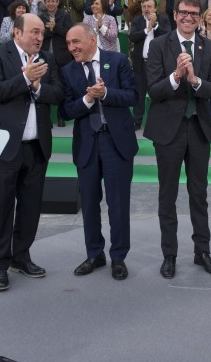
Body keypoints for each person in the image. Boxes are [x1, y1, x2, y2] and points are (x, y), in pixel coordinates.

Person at [0, 13, 64, 291]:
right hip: (4, 147)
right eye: (34, 32)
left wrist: (38, 87)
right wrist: (25, 78)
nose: (40, 37)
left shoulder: (48, 60)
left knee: (30, 208)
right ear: (17, 33)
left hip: (36, 147)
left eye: (42, 33)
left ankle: (21, 256)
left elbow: (58, 94)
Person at [143, 0, 211, 279]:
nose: (188, 17)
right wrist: (176, 77)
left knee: (199, 195)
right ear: (174, 14)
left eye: (194, 13)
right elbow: (153, 91)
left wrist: (195, 80)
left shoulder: (210, 47)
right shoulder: (159, 45)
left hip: (199, 130)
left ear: (200, 17)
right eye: (183, 12)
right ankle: (170, 255)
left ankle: (202, 252)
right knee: (168, 195)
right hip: (168, 132)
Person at [60, 23, 138, 281]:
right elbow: (65, 111)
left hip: (116, 143)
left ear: (92, 40)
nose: (72, 48)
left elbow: (132, 95)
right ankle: (95, 254)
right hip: (87, 145)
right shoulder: (68, 71)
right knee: (90, 205)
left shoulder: (117, 61)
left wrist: (105, 93)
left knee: (117, 204)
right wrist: (87, 100)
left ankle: (118, 257)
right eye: (69, 43)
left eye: (76, 42)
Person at [129, 0, 171, 130]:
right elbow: (132, 36)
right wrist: (147, 29)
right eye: (144, 7)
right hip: (140, 64)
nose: (146, 9)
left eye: (149, 6)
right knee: (139, 94)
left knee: (157, 94)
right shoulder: (137, 20)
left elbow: (168, 36)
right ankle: (136, 121)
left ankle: (157, 120)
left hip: (157, 65)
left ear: (156, 8)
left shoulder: (163, 19)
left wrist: (155, 25)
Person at [38, 0, 73, 125]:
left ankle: (60, 116)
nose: (51, 4)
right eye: (48, 1)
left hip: (63, 57)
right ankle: (46, 118)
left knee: (62, 87)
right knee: (44, 86)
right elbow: (39, 35)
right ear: (45, 3)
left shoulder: (64, 16)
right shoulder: (41, 17)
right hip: (45, 58)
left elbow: (69, 34)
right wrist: (51, 30)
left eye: (53, 1)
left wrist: (55, 27)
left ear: (57, 2)